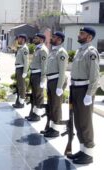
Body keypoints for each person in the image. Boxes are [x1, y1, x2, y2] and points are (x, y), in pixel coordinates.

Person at [68, 27, 99, 164]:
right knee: (78, 121)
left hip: (84, 90)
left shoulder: (91, 52)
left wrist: (89, 94)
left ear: (90, 37)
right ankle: (82, 150)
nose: (79, 35)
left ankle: (89, 154)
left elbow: (95, 76)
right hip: (75, 88)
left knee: (85, 122)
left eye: (82, 34)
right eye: (79, 33)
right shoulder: (80, 51)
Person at [44, 31, 68, 138]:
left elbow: (62, 71)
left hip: (57, 81)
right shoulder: (53, 52)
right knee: (51, 105)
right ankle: (52, 127)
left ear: (59, 40)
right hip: (51, 81)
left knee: (56, 106)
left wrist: (59, 87)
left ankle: (56, 129)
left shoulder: (61, 52)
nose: (51, 38)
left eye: (54, 37)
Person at [25, 33, 49, 121]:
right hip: (34, 74)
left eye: (36, 38)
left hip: (39, 75)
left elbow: (44, 66)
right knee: (34, 95)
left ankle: (37, 115)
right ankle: (33, 113)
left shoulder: (43, 50)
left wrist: (43, 79)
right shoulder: (38, 49)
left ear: (42, 40)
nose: (34, 39)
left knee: (38, 96)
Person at [13, 34, 29, 108]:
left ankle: (21, 103)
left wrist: (25, 71)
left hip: (21, 69)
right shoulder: (20, 48)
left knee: (22, 86)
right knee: (19, 86)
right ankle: (18, 102)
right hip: (18, 68)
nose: (17, 40)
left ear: (23, 40)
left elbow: (26, 61)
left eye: (19, 39)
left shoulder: (25, 48)